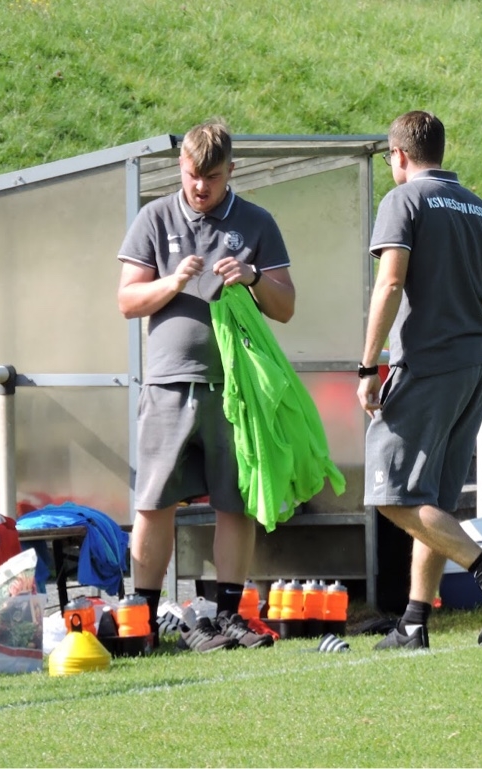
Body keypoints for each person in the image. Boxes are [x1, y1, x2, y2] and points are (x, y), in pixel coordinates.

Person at [117, 120, 296, 652]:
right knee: (153, 502)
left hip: (236, 387)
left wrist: (254, 277)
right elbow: (126, 301)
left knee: (234, 503)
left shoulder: (257, 222)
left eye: (212, 179)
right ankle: (143, 620)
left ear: (231, 172)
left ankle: (226, 616)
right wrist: (171, 282)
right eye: (194, 177)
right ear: (180, 168)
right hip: (168, 384)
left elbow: (286, 307)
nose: (201, 188)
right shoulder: (153, 218)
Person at [357, 110, 482, 649]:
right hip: (475, 368)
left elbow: (389, 285)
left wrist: (368, 365)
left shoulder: (402, 200)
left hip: (427, 366)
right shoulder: (479, 208)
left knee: (390, 496)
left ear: (400, 156)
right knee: (430, 501)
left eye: (390, 157)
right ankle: (414, 622)